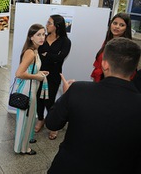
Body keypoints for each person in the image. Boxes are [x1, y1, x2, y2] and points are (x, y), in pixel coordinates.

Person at [46, 37, 141, 173]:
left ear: (105, 64)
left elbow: (52, 123)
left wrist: (66, 96)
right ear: (134, 69)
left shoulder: (78, 90)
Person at [13, 24, 49, 155]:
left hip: (31, 88)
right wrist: (37, 76)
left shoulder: (34, 50)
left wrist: (39, 72)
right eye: (38, 34)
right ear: (31, 37)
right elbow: (19, 73)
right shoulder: (30, 53)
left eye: (43, 34)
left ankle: (26, 140)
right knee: (25, 119)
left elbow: (28, 70)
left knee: (29, 118)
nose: (42, 37)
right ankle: (22, 148)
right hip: (27, 90)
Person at [35, 15, 71, 140]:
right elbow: (37, 54)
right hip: (39, 74)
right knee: (38, 98)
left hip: (54, 76)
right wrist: (52, 56)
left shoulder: (65, 41)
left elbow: (60, 58)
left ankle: (54, 125)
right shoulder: (42, 38)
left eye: (49, 23)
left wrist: (46, 55)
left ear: (57, 26)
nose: (46, 25)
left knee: (50, 102)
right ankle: (40, 119)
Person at [91, 13, 132, 82]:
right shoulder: (107, 41)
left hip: (115, 84)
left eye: (122, 25)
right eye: (115, 23)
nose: (117, 27)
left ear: (126, 28)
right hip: (100, 81)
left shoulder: (127, 47)